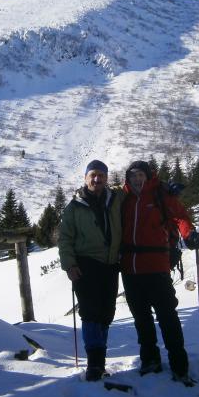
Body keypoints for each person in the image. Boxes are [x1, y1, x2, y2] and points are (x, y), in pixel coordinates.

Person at [120, 160, 199, 385]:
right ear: (127, 178)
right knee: (141, 318)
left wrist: (189, 235)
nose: (137, 179)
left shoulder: (161, 195)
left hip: (157, 266)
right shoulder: (124, 199)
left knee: (167, 316)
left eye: (141, 175)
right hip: (130, 269)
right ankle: (150, 360)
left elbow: (181, 217)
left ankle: (179, 364)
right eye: (133, 175)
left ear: (148, 177)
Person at [58, 160, 123, 381]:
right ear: (85, 178)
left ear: (106, 178)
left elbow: (138, 190)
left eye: (101, 175)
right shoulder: (74, 207)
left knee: (106, 313)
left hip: (111, 265)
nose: (97, 179)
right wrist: (69, 264)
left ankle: (99, 360)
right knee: (90, 313)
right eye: (93, 175)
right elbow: (64, 238)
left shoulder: (115, 199)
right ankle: (94, 364)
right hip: (85, 266)